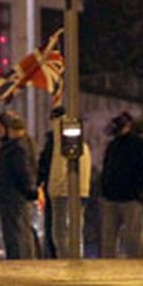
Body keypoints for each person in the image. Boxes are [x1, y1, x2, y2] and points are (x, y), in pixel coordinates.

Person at [39, 108, 92, 258]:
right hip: (80, 190)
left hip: (61, 190)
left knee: (60, 230)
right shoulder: (82, 141)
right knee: (76, 229)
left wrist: (55, 186)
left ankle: (64, 260)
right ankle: (76, 257)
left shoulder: (57, 141)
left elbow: (59, 166)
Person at [100, 111, 143, 258]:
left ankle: (137, 264)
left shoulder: (136, 143)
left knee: (129, 235)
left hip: (127, 196)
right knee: (123, 236)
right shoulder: (117, 144)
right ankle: (131, 264)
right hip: (121, 196)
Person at [0, 113, 39, 260]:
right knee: (16, 230)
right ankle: (20, 258)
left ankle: (19, 259)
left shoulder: (17, 147)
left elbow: (23, 170)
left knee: (16, 231)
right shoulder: (10, 145)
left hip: (13, 194)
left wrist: (29, 189)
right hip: (10, 193)